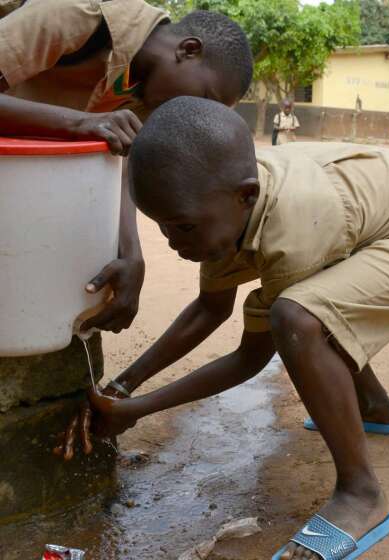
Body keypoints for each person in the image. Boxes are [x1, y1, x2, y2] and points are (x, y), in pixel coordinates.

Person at [88, 97, 389, 560]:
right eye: (162, 228)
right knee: (315, 305)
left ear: (246, 196)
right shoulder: (222, 197)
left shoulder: (296, 224)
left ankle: (360, 495)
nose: (174, 243)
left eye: (183, 228)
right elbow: (209, 308)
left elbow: (252, 357)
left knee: (299, 317)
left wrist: (140, 409)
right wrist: (123, 387)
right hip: (384, 225)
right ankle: (375, 406)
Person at [0, 0, 253, 460]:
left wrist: (131, 253)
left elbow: (119, 157)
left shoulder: (139, 87)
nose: (195, 112)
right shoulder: (77, 15)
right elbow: (96, 132)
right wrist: (82, 123)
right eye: (207, 97)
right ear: (188, 50)